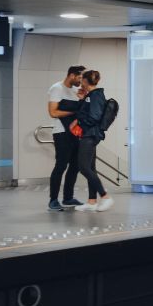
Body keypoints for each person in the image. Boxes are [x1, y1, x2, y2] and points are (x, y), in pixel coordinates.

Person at [70, 70, 113, 212]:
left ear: (86, 81)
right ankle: (92, 201)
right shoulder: (91, 95)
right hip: (90, 134)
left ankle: (105, 197)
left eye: (82, 79)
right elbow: (87, 112)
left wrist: (80, 124)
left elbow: (94, 116)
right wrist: (82, 99)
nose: (80, 81)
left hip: (90, 135)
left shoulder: (96, 95)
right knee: (91, 168)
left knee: (84, 167)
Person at [47, 65, 86, 211]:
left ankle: (68, 198)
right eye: (80, 78)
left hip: (76, 132)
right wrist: (73, 112)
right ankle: (53, 200)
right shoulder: (57, 88)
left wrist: (83, 99)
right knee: (61, 165)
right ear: (72, 75)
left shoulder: (77, 90)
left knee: (75, 166)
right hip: (61, 132)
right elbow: (53, 112)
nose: (81, 81)